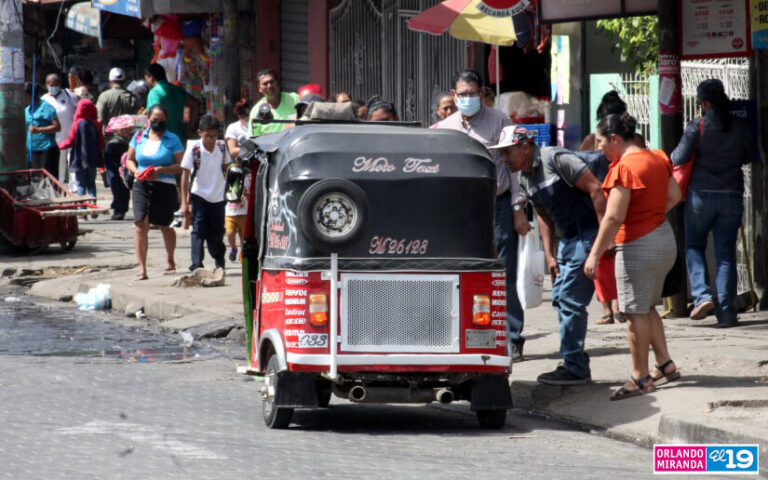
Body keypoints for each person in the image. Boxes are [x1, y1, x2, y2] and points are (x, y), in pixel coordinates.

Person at [493, 126, 606, 384]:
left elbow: (596, 188)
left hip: (588, 233)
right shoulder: (524, 177)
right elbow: (542, 214)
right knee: (559, 298)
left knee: (569, 299)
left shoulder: (556, 159)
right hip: (567, 238)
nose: (504, 160)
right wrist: (549, 256)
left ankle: (575, 366)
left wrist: (603, 238)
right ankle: (573, 362)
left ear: (525, 147)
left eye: (507, 153)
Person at [585, 112, 681, 399]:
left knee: (634, 311)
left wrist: (594, 254)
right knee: (647, 305)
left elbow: (613, 217)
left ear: (615, 139)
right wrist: (651, 216)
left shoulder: (623, 169)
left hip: (638, 244)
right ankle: (664, 363)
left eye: (601, 141)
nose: (598, 148)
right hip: (664, 238)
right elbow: (675, 196)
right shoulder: (657, 158)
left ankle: (639, 377)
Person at [438, 69, 528, 362]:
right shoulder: (442, 129)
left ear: (482, 93)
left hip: (498, 205)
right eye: (462, 94)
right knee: (460, 270)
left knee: (504, 271)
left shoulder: (500, 121)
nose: (467, 99)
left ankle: (512, 338)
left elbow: (514, 168)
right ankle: (458, 333)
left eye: (472, 94)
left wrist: (517, 208)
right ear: (454, 95)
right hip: (459, 211)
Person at [671, 79, 756, 327]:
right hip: (731, 196)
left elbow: (678, 157)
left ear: (705, 102)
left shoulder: (698, 125)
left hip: (700, 197)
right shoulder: (739, 126)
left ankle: (703, 295)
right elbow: (749, 156)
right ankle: (727, 313)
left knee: (694, 246)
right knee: (726, 256)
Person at [579, 90, 646, 325]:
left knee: (604, 255)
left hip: (605, 202)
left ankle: (610, 307)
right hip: (618, 201)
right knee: (612, 254)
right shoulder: (633, 141)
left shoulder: (592, 141)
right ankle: (616, 306)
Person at [125, 104, 185, 281]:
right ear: (148, 119)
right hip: (141, 184)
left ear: (166, 120)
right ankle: (142, 269)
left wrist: (160, 170)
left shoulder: (172, 139)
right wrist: (136, 171)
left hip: (164, 185)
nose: (157, 123)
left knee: (165, 224)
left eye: (161, 120)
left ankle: (170, 260)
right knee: (140, 225)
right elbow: (129, 159)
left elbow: (181, 165)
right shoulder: (138, 137)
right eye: (154, 120)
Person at [180, 115, 231, 271]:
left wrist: (232, 190)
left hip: (218, 196)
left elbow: (228, 168)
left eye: (214, 135)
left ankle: (218, 256)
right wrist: (184, 202)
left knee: (216, 232)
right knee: (198, 229)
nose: (211, 139)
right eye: (207, 135)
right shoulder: (194, 149)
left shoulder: (222, 147)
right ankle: (196, 264)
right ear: (200, 132)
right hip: (199, 194)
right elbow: (185, 175)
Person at [57, 99, 104, 199]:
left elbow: (69, 142)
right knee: (91, 183)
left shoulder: (77, 124)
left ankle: (82, 206)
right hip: (93, 160)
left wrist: (59, 145)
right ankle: (92, 202)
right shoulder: (97, 125)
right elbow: (101, 143)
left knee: (81, 184)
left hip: (79, 159)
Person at [145, 63, 200, 143]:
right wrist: (190, 129)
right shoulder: (177, 89)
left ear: (151, 78)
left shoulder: (154, 93)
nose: (146, 82)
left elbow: (154, 117)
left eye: (146, 79)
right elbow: (196, 104)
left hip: (163, 142)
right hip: (180, 139)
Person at [224, 102, 252, 263]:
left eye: (246, 114)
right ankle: (234, 248)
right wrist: (252, 149)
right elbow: (233, 150)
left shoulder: (257, 123)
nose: (245, 118)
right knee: (236, 200)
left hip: (255, 169)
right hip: (238, 171)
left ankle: (245, 251)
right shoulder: (233, 128)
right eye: (241, 115)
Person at [42, 73, 78, 185]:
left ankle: (75, 188)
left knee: (73, 162)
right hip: (55, 139)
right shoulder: (44, 100)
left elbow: (78, 111)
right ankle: (60, 186)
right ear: (46, 85)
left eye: (56, 84)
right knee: (59, 164)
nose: (54, 87)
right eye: (51, 85)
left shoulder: (68, 95)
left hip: (71, 136)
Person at [25, 82, 61, 178]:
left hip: (46, 149)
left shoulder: (46, 107)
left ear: (29, 95)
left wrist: (39, 129)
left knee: (47, 179)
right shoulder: (27, 110)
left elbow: (57, 127)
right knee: (35, 179)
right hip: (32, 150)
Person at [248, 69, 299, 137]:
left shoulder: (294, 99)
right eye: (265, 84)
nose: (269, 86)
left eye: (272, 82)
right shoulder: (256, 111)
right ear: (259, 88)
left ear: (279, 82)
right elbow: (253, 140)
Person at [103, 115, 135, 220]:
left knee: (116, 181)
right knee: (122, 181)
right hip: (122, 156)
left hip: (116, 155)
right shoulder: (130, 139)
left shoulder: (113, 141)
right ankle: (120, 207)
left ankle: (119, 208)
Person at [96, 67, 138, 140]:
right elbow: (139, 123)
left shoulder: (104, 96)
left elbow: (100, 120)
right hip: (128, 143)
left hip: (110, 141)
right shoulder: (132, 97)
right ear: (124, 81)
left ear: (110, 81)